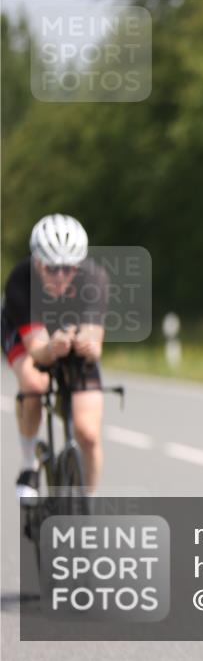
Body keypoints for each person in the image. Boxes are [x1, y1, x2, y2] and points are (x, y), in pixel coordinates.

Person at [1, 214, 108, 499]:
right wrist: (51, 349)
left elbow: (95, 340)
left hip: (67, 333)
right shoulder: (21, 280)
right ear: (37, 262)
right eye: (51, 268)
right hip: (28, 334)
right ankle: (28, 465)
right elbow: (37, 349)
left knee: (88, 433)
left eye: (68, 268)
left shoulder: (93, 277)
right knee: (35, 385)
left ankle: (89, 505)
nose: (60, 275)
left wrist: (86, 344)